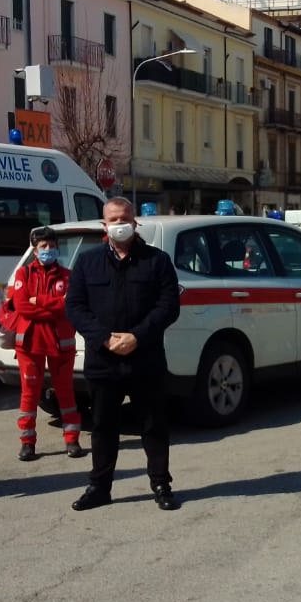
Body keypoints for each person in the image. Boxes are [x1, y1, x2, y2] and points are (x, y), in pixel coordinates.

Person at [64, 198, 182, 511]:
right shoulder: (87, 262)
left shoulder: (157, 260)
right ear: (104, 225)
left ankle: (161, 484)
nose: (120, 224)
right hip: (103, 361)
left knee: (153, 425)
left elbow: (168, 306)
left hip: (146, 359)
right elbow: (75, 307)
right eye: (113, 219)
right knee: (103, 426)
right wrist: (104, 339)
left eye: (125, 218)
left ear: (135, 222)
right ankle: (99, 488)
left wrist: (137, 337)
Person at [0, 226, 86, 461]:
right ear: (35, 251)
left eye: (52, 246)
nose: (49, 250)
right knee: (29, 394)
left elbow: (68, 305)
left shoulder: (67, 275)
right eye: (44, 247)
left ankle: (72, 441)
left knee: (65, 393)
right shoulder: (23, 275)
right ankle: (27, 443)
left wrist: (39, 302)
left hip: (61, 343)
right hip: (30, 343)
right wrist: (52, 306)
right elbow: (23, 307)